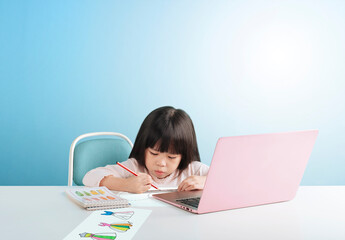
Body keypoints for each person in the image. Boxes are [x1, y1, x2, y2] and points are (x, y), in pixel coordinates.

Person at [83, 106, 209, 193]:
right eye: (154, 153)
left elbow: (228, 179)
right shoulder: (135, 167)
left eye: (171, 157)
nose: (161, 163)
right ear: (143, 148)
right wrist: (126, 185)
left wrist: (206, 181)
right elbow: (89, 177)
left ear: (183, 155)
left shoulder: (193, 169)